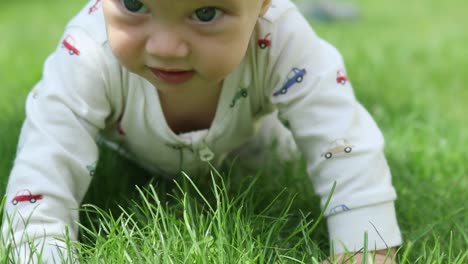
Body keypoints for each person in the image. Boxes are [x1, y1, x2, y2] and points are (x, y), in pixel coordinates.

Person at [1, 0, 402, 262]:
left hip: (251, 136)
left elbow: (340, 137)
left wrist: (365, 248)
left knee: (275, 155)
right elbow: (43, 171)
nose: (166, 47)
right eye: (135, 4)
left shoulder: (281, 38)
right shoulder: (87, 52)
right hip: (129, 146)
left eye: (206, 13)